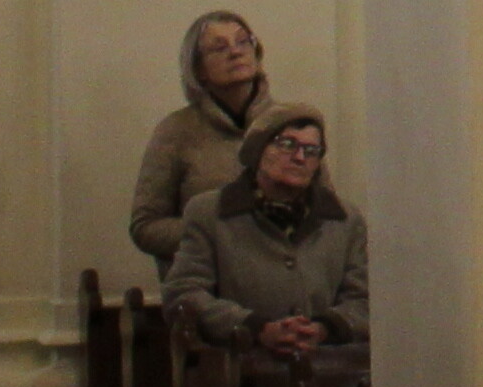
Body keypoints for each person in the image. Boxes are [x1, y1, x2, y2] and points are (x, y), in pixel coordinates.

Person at [157, 103, 369, 354]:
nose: (300, 158)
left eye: (311, 151)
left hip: (326, 364)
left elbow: (364, 299)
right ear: (258, 150)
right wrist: (254, 328)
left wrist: (324, 329)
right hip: (241, 365)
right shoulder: (210, 213)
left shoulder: (344, 220)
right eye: (287, 144)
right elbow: (184, 293)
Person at [127, 7, 270, 271]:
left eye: (243, 41)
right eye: (219, 48)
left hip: (282, 281)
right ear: (198, 68)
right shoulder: (175, 131)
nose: (236, 52)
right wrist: (218, 232)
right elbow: (145, 227)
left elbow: (328, 213)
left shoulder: (289, 123)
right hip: (203, 284)